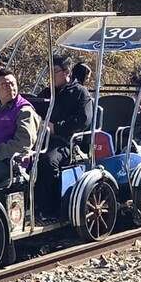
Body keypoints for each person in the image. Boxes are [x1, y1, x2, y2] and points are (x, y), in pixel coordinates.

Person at [36, 54, 94, 219]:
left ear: (67, 72)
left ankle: (50, 209)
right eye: (49, 72)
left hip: (68, 142)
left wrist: (57, 127)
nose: (50, 76)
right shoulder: (47, 92)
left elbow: (83, 120)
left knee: (47, 160)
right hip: (43, 138)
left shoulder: (80, 93)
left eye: (54, 72)